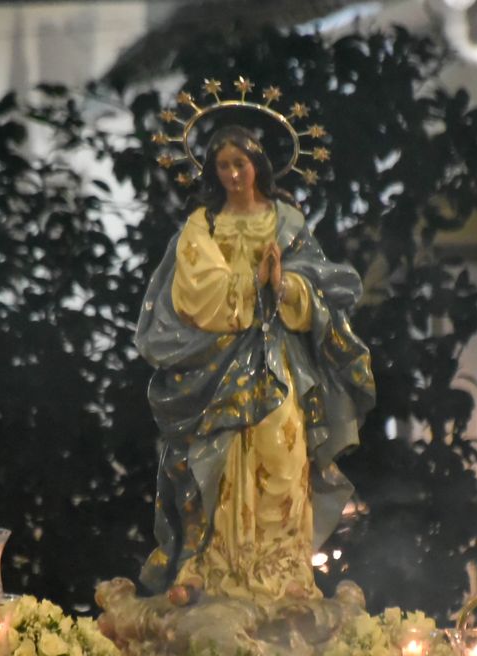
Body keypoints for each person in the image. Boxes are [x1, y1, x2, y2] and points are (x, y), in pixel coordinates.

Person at [136, 124, 375, 606]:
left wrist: (285, 287)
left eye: (239, 165)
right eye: (222, 166)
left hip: (279, 361)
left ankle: (283, 573)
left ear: (257, 166)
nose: (232, 175)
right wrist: (251, 283)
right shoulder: (203, 226)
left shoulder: (285, 221)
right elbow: (192, 292)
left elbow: (321, 288)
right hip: (217, 365)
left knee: (283, 455)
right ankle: (214, 568)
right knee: (220, 460)